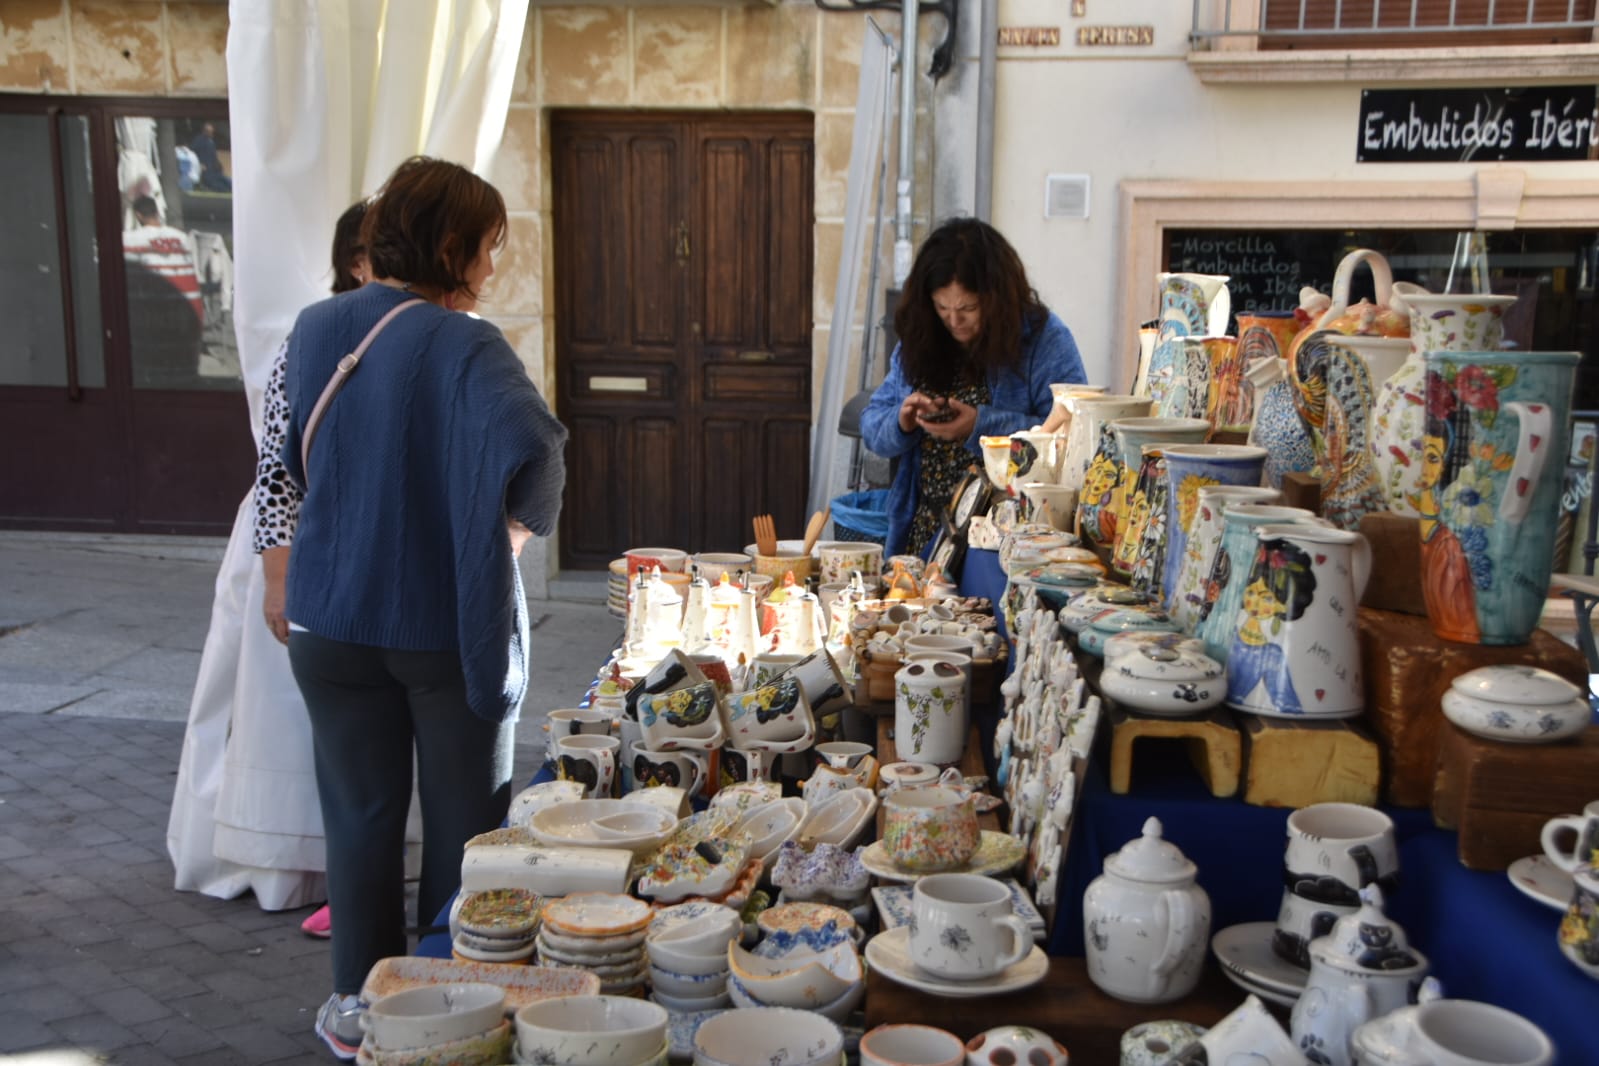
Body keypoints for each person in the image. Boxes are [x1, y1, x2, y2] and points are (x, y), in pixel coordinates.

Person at [279, 156, 568, 1060]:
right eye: (487, 246)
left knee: (358, 823)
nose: (490, 267)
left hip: (328, 618)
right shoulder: (468, 343)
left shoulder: (316, 323)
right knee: (463, 832)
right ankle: (448, 1006)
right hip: (441, 626)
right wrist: (512, 535)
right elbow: (541, 450)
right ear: (452, 245)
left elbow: (285, 453)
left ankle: (359, 1012)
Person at [166, 201, 377, 925]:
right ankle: (334, 882)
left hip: (387, 565)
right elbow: (278, 473)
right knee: (333, 735)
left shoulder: (439, 334)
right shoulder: (315, 336)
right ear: (356, 260)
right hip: (323, 559)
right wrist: (278, 577)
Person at [860, 218, 1088, 558]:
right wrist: (903, 420)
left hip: (1004, 543)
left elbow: (1072, 434)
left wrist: (980, 426)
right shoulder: (922, 338)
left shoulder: (1044, 339)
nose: (954, 321)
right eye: (942, 308)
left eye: (968, 308)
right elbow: (871, 424)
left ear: (997, 299)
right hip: (923, 535)